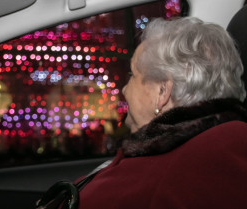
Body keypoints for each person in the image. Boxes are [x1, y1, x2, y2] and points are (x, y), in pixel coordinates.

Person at [37, 17, 247, 209]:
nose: (124, 89)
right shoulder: (226, 144)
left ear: (162, 91)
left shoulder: (154, 178)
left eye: (133, 75)